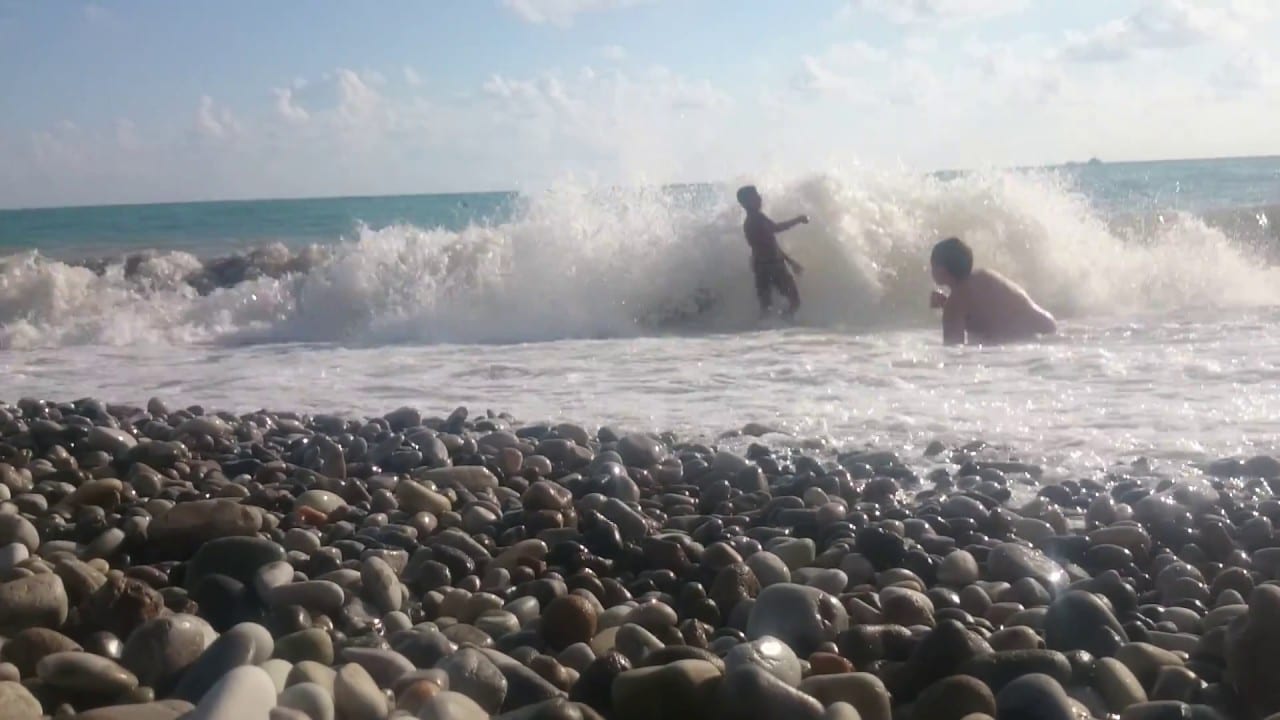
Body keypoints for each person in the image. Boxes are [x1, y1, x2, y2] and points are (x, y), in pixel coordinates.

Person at [928, 237, 1057, 345]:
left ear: (941, 271)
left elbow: (954, 351)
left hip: (1029, 340)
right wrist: (948, 304)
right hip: (1048, 328)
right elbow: (991, 314)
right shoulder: (985, 275)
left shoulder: (955, 304)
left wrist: (950, 308)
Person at [737, 185, 808, 318]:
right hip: (770, 267)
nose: (759, 198)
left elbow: (771, 244)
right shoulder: (754, 220)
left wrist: (790, 262)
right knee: (793, 302)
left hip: (765, 265)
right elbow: (776, 228)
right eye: (755, 196)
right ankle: (779, 326)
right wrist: (798, 220)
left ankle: (775, 329)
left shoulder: (757, 217)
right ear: (747, 202)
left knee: (769, 307)